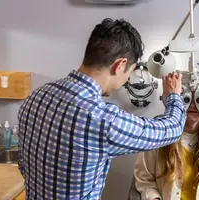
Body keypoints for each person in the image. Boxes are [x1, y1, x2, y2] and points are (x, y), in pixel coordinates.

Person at [17, 18, 186, 200]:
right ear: (119, 65)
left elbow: (24, 166)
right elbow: (171, 129)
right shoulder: (102, 119)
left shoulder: (35, 97)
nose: (124, 82)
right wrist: (173, 96)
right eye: (128, 73)